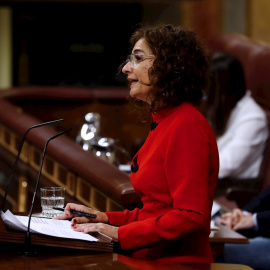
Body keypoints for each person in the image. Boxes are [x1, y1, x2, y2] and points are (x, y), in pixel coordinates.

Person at [54, 24, 219, 263]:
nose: (125, 68)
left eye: (138, 58)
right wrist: (103, 218)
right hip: (149, 258)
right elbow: (155, 212)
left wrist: (119, 234)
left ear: (169, 66)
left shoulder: (186, 125)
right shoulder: (165, 120)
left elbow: (190, 216)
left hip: (175, 264)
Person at [207, 51, 269, 180]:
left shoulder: (253, 119)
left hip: (229, 189)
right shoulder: (221, 109)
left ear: (221, 92)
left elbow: (225, 165)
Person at [216, 185, 270, 270]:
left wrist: (254, 219)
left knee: (216, 251)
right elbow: (264, 198)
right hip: (261, 230)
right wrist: (241, 215)